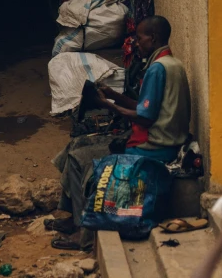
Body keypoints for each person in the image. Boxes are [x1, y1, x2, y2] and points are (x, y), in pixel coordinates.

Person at [52, 15, 191, 250]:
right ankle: (71, 218)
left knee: (78, 159)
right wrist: (113, 95)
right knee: (74, 147)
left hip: (153, 147)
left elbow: (145, 118)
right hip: (162, 139)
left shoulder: (157, 69)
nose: (136, 42)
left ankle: (82, 233)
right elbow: (143, 106)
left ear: (153, 37)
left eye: (139, 37)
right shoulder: (170, 64)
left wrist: (107, 105)